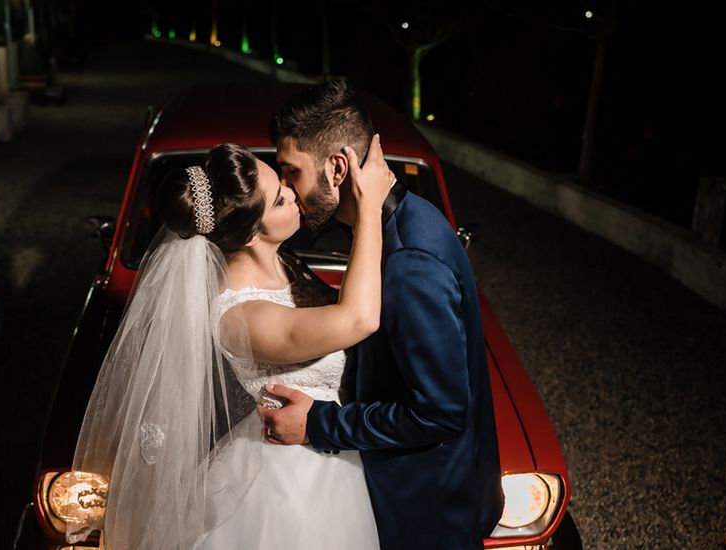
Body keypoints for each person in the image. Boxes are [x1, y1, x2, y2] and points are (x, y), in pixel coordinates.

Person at [67, 139, 396, 549]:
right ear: (251, 235)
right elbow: (359, 319)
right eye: (279, 199)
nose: (293, 193)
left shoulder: (286, 262)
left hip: (335, 453)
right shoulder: (240, 315)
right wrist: (368, 209)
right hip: (292, 488)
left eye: (284, 181)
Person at [259, 80, 505, 549]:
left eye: (291, 171)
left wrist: (318, 425)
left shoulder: (411, 262)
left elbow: (440, 412)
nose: (286, 187)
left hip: (425, 514)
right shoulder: (401, 220)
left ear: (337, 167)